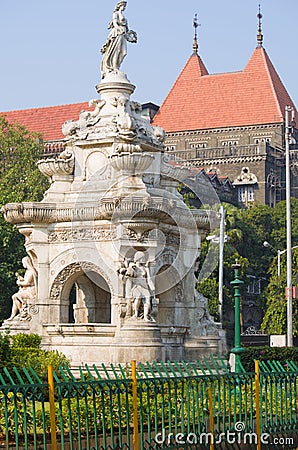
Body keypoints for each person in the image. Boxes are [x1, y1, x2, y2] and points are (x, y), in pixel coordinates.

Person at [100, 1, 137, 78]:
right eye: (123, 6)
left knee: (123, 52)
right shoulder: (116, 14)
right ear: (119, 6)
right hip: (117, 33)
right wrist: (119, 29)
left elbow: (127, 30)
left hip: (123, 34)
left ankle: (116, 66)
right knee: (116, 50)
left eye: (125, 6)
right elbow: (115, 23)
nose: (124, 8)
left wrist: (131, 37)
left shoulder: (125, 18)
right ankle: (114, 67)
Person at [7, 256, 37, 321]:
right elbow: (26, 281)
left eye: (23, 263)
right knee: (15, 297)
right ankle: (14, 315)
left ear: (27, 263)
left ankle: (22, 311)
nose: (23, 265)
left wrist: (19, 283)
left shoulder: (31, 272)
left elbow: (28, 283)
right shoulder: (28, 271)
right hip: (27, 290)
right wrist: (21, 279)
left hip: (31, 292)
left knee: (15, 296)